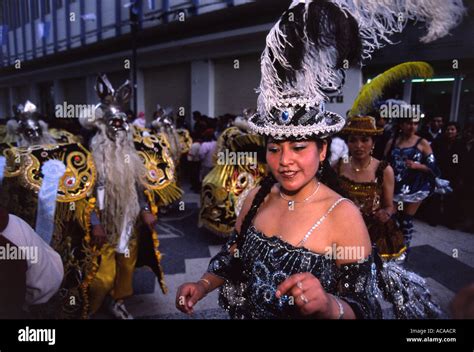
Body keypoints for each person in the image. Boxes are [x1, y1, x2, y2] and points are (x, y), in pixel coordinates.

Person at [177, 0, 445, 319]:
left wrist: (330, 305)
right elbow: (231, 257)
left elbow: (366, 309)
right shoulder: (255, 198)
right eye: (275, 148)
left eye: (299, 147)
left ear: (321, 150)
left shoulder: (343, 217)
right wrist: (204, 284)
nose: (284, 160)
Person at [337, 116, 406, 260]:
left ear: (373, 143)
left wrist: (385, 214)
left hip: (374, 234)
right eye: (353, 140)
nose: (358, 145)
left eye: (364, 140)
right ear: (347, 143)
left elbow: (389, 205)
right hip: (344, 230)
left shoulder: (383, 169)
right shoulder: (339, 166)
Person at [384, 118, 440, 253]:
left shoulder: (422, 143)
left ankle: (405, 253)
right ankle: (392, 250)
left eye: (415, 123)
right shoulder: (393, 141)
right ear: (401, 124)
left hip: (414, 187)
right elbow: (383, 163)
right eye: (409, 123)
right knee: (392, 220)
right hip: (394, 187)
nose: (412, 126)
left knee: (406, 221)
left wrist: (417, 165)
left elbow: (434, 168)